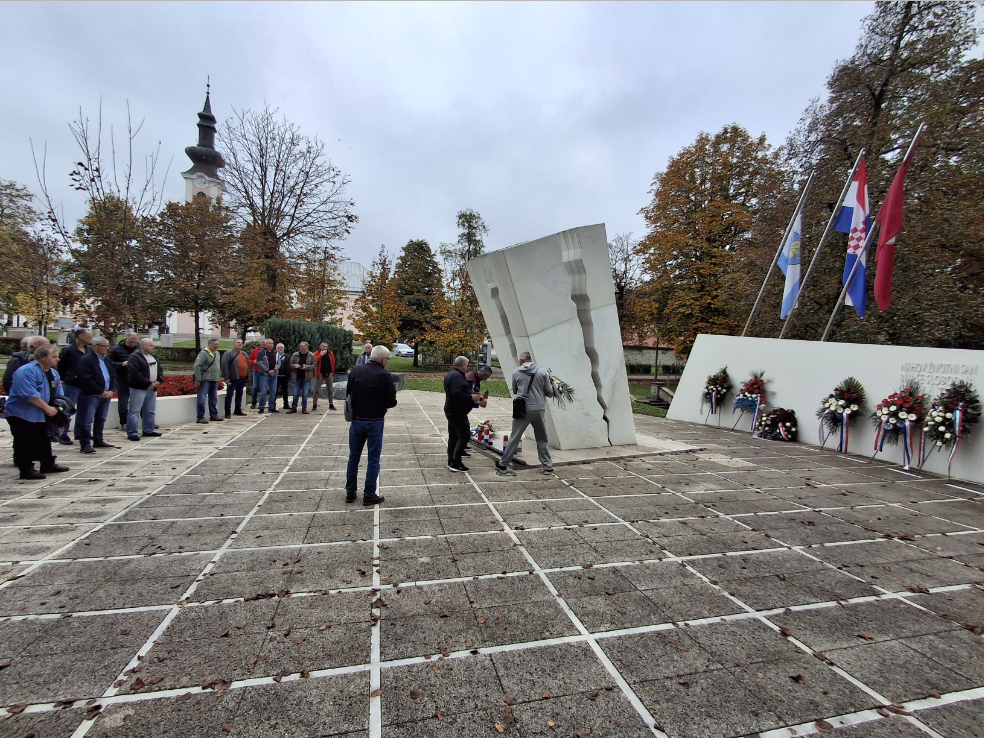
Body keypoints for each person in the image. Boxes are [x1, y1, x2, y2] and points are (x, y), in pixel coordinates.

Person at [2, 345, 71, 479]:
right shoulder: (26, 371)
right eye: (54, 357)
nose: (58, 359)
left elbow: (58, 393)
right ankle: (26, 469)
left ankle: (47, 464)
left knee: (44, 439)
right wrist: (47, 408)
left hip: (42, 414)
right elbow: (29, 394)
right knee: (25, 442)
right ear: (42, 357)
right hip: (22, 413)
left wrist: (57, 407)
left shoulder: (53, 372)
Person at [345, 345, 396, 506]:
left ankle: (350, 491)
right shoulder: (384, 375)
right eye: (387, 359)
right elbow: (391, 401)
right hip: (374, 421)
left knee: (354, 456)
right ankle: (369, 494)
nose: (387, 362)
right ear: (382, 359)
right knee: (373, 458)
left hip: (357, 419)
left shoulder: (356, 370)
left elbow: (348, 393)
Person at [495, 351, 555, 476]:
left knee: (515, 437)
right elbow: (549, 393)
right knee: (541, 438)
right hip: (538, 409)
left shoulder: (516, 372)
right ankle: (547, 467)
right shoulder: (542, 372)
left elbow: (516, 390)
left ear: (521, 361)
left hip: (522, 409)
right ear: (530, 359)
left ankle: (503, 464)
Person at [75, 337, 117, 453]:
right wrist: (100, 391)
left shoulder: (107, 360)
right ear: (95, 346)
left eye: (108, 346)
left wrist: (112, 390)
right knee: (87, 420)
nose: (107, 348)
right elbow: (86, 378)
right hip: (91, 395)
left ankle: (98, 439)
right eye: (104, 346)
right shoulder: (86, 360)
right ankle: (85, 443)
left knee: (101, 418)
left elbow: (113, 376)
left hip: (106, 394)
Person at [443, 356, 482, 472]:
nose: (467, 367)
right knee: (464, 435)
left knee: (454, 436)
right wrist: (471, 397)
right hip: (456, 411)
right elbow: (456, 393)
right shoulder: (456, 376)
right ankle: (455, 463)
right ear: (463, 365)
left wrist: (475, 397)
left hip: (452, 410)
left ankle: (452, 461)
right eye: (467, 364)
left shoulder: (453, 374)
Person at [56, 328, 93, 445]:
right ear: (80, 336)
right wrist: (63, 378)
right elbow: (61, 365)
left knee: (84, 410)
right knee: (68, 409)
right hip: (72, 384)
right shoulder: (68, 350)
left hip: (86, 384)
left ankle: (80, 432)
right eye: (88, 336)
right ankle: (63, 434)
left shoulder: (90, 350)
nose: (90, 338)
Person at [126, 338, 164, 441]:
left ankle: (148, 430)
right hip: (139, 388)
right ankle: (132, 432)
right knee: (134, 411)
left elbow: (159, 369)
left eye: (153, 345)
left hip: (152, 389)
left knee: (150, 410)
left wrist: (159, 381)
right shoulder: (134, 357)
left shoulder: (153, 356)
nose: (153, 347)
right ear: (143, 346)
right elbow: (134, 372)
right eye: (151, 345)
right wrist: (148, 383)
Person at [460, 364, 492, 459]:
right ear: (482, 374)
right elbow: (470, 395)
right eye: (486, 377)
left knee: (464, 428)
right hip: (460, 407)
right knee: (463, 430)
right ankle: (460, 450)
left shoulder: (474, 377)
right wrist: (480, 402)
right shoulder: (471, 380)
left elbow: (474, 393)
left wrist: (481, 398)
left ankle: (463, 446)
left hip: (463, 408)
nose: (486, 379)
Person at [108, 332, 140, 428]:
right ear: (126, 339)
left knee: (139, 401)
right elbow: (108, 363)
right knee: (123, 402)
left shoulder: (139, 349)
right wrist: (122, 364)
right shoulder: (115, 349)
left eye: (135, 342)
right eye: (130, 342)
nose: (133, 344)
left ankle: (144, 421)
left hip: (136, 379)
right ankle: (124, 422)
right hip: (122, 379)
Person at [193, 337, 223, 424]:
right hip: (205, 379)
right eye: (215, 344)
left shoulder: (217, 353)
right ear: (210, 344)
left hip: (214, 379)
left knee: (213, 398)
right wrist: (198, 379)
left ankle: (214, 415)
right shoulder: (204, 353)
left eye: (217, 344)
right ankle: (200, 416)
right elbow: (197, 366)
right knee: (202, 398)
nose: (217, 346)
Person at [221, 338, 250, 418]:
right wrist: (226, 377)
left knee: (239, 394)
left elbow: (248, 365)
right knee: (229, 395)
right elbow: (224, 365)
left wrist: (248, 376)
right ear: (234, 343)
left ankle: (238, 410)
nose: (240, 344)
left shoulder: (244, 353)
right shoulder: (228, 353)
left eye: (241, 343)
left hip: (242, 378)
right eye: (238, 342)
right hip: (233, 378)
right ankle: (227, 412)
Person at [288, 342, 317, 414]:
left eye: (304, 349)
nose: (303, 350)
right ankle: (294, 407)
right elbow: (290, 364)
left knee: (305, 394)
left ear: (307, 348)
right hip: (296, 376)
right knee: (295, 394)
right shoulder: (295, 355)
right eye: (302, 349)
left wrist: (306, 367)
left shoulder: (311, 355)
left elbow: (314, 365)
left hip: (306, 377)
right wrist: (295, 366)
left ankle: (304, 408)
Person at [254, 339, 282, 414]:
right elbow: (260, 363)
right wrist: (268, 371)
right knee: (263, 392)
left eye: (272, 343)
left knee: (273, 391)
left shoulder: (276, 353)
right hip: (264, 374)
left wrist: (275, 370)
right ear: (265, 344)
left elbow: (279, 362)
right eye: (269, 343)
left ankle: (271, 407)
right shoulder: (261, 352)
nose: (271, 345)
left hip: (274, 374)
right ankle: (261, 407)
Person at [312, 342, 336, 411]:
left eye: (326, 346)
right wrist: (320, 355)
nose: (325, 348)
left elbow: (333, 362)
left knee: (330, 390)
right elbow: (315, 361)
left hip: (329, 373)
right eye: (323, 346)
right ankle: (314, 404)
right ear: (320, 347)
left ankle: (331, 404)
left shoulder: (330, 353)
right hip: (320, 373)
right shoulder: (316, 353)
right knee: (317, 390)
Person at [248, 337, 265, 409]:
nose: (263, 344)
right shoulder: (255, 351)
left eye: (265, 342)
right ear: (259, 343)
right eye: (262, 342)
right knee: (255, 387)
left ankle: (261, 403)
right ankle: (253, 402)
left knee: (263, 388)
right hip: (256, 371)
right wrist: (253, 362)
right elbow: (249, 360)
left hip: (264, 372)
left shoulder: (268, 351)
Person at [274, 342, 290, 408]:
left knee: (285, 391)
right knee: (274, 391)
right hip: (276, 376)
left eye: (282, 348)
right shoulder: (274, 356)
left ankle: (286, 404)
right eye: (279, 348)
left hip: (285, 376)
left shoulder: (287, 356)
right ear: (276, 348)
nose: (280, 349)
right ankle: (273, 404)